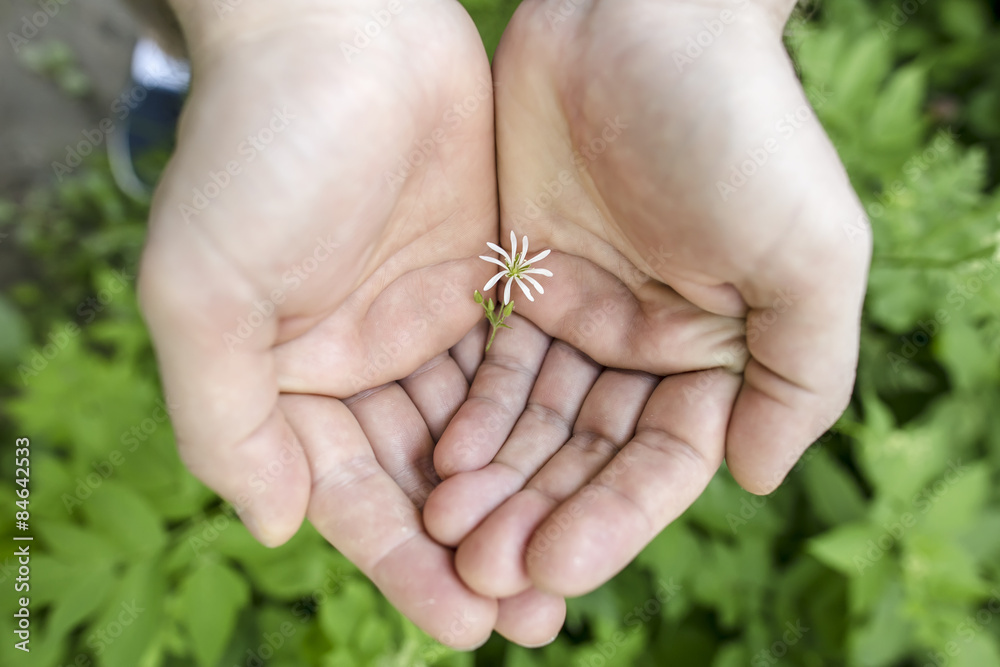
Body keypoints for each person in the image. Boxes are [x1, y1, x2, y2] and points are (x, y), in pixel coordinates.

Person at [135, 0, 870, 650]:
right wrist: (282, 26)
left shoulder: (518, 275)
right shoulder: (511, 277)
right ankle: (204, 63)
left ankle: (216, 64)